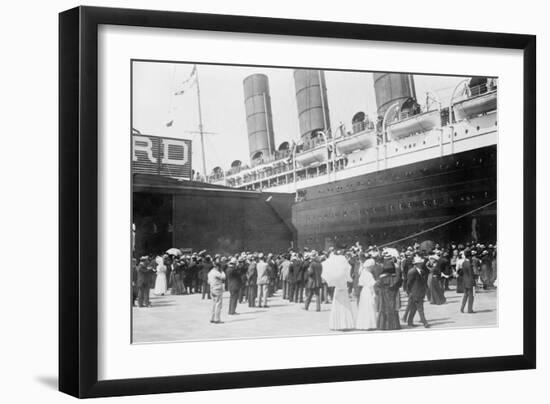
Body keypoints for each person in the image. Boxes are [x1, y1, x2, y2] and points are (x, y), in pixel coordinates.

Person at [322, 251, 355, 331]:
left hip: (338, 291)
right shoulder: (344, 273)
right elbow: (349, 280)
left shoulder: (335, 274)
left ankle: (337, 324)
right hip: (343, 292)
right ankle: (346, 324)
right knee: (345, 307)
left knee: (337, 308)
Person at [375, 258, 402, 330]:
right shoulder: (395, 277)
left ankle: (383, 326)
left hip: (384, 295)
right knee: (393, 309)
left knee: (384, 309)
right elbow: (399, 284)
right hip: (393, 295)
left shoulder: (381, 278)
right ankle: (394, 325)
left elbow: (377, 286)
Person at [405, 256, 430, 328]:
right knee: (420, 308)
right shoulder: (412, 271)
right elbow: (408, 283)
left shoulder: (421, 271)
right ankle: (425, 322)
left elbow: (423, 281)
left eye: (421, 263)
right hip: (415, 293)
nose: (421, 264)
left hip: (420, 292)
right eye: (419, 263)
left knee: (414, 308)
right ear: (416, 264)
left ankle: (410, 321)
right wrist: (409, 292)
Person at [355, 257, 377, 330]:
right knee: (370, 307)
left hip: (363, 291)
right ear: (370, 267)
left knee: (364, 307)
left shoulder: (363, 272)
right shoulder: (369, 274)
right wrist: (374, 293)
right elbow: (371, 285)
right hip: (368, 291)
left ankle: (363, 324)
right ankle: (370, 324)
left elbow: (360, 283)